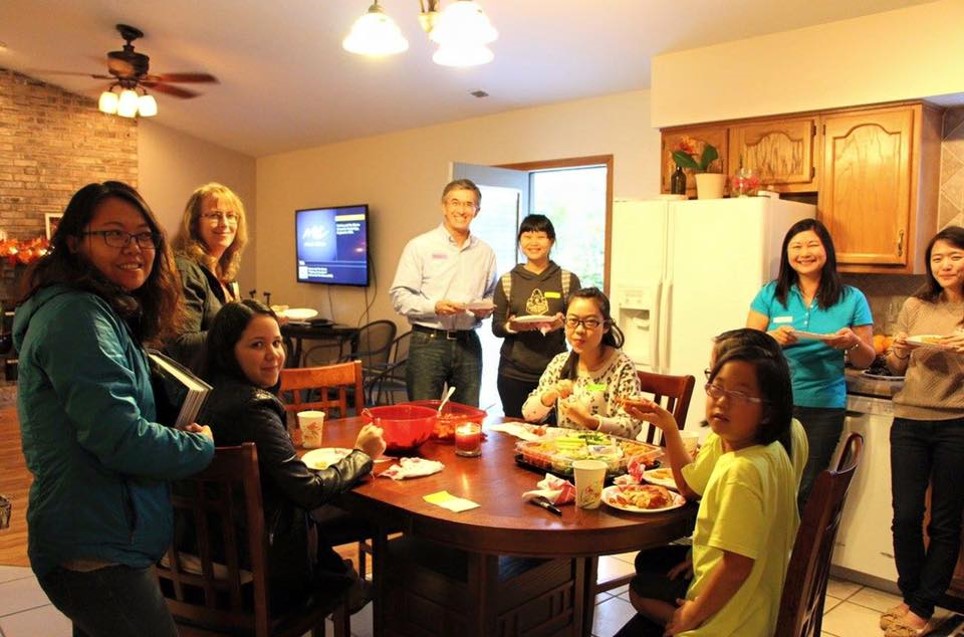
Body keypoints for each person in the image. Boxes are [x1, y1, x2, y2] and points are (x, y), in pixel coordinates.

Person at [13, 181, 216, 637]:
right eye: (113, 234)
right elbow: (121, 439)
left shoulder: (96, 311)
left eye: (144, 235)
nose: (133, 248)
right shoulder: (78, 317)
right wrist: (196, 446)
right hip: (95, 550)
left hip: (97, 537)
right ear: (73, 242)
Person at [197, 299, 386, 612]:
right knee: (365, 513)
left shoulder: (210, 391)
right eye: (257, 345)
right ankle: (365, 591)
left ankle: (348, 581)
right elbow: (307, 491)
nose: (273, 355)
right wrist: (361, 455)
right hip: (261, 574)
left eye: (277, 342)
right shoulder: (253, 406)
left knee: (312, 519)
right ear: (227, 350)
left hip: (211, 553)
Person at [617, 333, 798, 636]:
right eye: (716, 387)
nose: (722, 402)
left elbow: (737, 566)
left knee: (642, 593)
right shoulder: (773, 453)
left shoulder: (740, 471)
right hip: (758, 610)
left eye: (740, 394)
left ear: (768, 411)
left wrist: (691, 615)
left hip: (728, 624)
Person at [746, 218, 874, 509]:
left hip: (823, 404)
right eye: (797, 246)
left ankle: (799, 554)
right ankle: (767, 552)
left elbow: (866, 358)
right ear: (787, 254)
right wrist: (771, 338)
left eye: (812, 245)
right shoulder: (770, 293)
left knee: (807, 488)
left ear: (826, 250)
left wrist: (851, 341)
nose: (804, 252)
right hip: (772, 401)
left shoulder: (852, 298)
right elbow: (747, 346)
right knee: (766, 482)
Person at [879, 226, 964, 637]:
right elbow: (897, 366)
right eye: (938, 258)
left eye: (955, 256)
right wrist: (900, 349)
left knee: (944, 523)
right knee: (905, 516)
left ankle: (922, 607)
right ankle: (913, 595)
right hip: (910, 420)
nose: (945, 265)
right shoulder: (916, 304)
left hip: (957, 423)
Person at [389, 178, 497, 407]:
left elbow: (490, 294)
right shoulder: (420, 246)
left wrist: (485, 309)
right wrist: (434, 306)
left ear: (477, 211)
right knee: (422, 415)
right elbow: (399, 296)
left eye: (469, 204)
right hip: (428, 342)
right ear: (444, 206)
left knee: (467, 418)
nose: (462, 210)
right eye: (455, 202)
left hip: (468, 343)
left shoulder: (486, 252)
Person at [521, 287, 642, 439]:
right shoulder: (560, 362)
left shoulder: (621, 366)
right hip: (565, 453)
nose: (579, 330)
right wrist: (551, 394)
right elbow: (528, 414)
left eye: (590, 322)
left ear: (605, 326)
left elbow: (632, 425)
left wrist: (589, 421)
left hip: (609, 455)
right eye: (572, 321)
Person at [491, 214, 581, 418]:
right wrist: (513, 327)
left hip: (556, 372)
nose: (533, 242)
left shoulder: (567, 280)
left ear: (551, 241)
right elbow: (497, 326)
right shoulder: (508, 281)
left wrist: (563, 324)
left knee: (555, 434)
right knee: (515, 429)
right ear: (520, 241)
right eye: (527, 236)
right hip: (513, 373)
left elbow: (579, 323)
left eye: (540, 236)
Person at [167, 182, 248, 366]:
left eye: (231, 216)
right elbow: (181, 345)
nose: (225, 224)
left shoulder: (223, 273)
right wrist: (246, 329)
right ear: (194, 223)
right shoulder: (186, 270)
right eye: (214, 215)